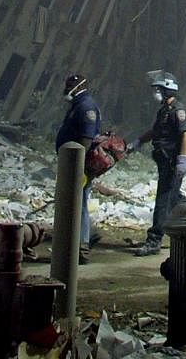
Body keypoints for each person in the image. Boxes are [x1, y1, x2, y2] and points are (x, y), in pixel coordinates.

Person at [130, 70, 186, 256]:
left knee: (163, 201)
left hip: (173, 162)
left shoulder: (178, 111)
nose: (155, 93)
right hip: (164, 161)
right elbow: (155, 131)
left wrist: (182, 160)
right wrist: (139, 141)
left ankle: (154, 240)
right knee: (173, 199)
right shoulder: (164, 110)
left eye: (158, 89)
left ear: (167, 90)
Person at [55, 72, 101, 264]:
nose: (66, 91)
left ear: (79, 87)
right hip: (71, 163)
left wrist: (77, 166)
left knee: (79, 204)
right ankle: (78, 241)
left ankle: (81, 246)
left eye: (69, 87)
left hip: (78, 164)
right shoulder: (78, 105)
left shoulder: (86, 107)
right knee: (75, 203)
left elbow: (86, 139)